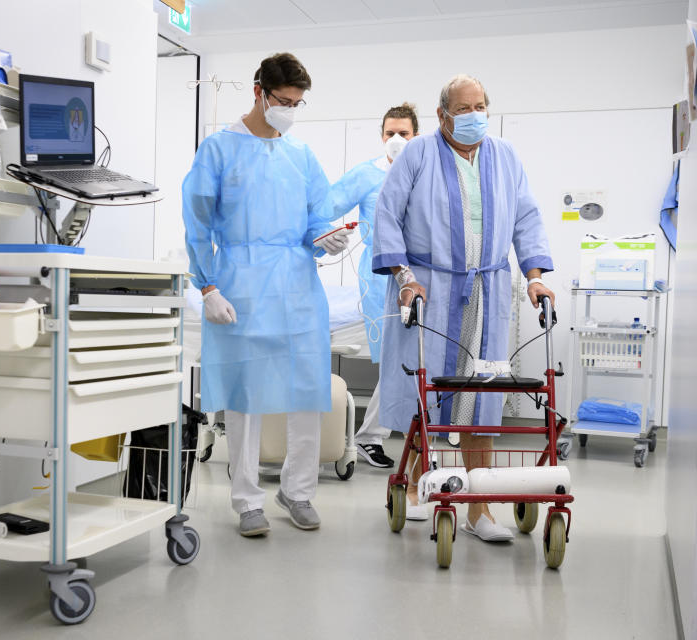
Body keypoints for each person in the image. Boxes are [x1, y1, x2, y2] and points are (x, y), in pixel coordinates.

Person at [372, 74, 555, 540]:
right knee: (426, 395)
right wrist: (405, 278)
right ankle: (412, 487)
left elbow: (527, 216)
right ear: (442, 115)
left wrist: (534, 277)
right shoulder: (417, 154)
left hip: (489, 290)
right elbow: (388, 213)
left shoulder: (505, 156)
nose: (475, 115)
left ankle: (479, 511)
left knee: (483, 401)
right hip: (430, 290)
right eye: (464, 108)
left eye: (481, 106)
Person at [182, 53, 351, 537]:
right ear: (259, 91)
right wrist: (208, 284)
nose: (290, 110)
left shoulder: (301, 156)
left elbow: (317, 217)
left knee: (305, 391)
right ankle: (247, 498)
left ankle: (297, 491)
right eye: (283, 100)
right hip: (241, 285)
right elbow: (197, 223)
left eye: (298, 103)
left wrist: (327, 238)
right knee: (245, 395)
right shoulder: (218, 150)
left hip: (297, 287)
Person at [329, 103, 419, 469]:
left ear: (417, 136)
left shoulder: (425, 171)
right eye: (390, 133)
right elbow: (327, 205)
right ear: (381, 136)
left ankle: (391, 433)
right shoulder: (366, 174)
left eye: (404, 133)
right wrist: (323, 236)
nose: (396, 140)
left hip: (422, 274)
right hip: (379, 275)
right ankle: (370, 436)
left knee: (415, 358)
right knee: (396, 357)